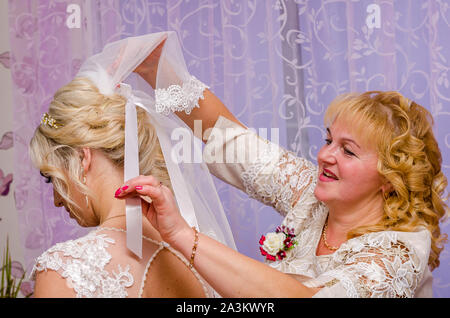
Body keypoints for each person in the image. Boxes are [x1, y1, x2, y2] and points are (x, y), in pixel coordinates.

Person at [116, 39, 449, 297]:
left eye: (347, 151)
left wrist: (182, 236)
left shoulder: (399, 251)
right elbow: (229, 137)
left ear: (390, 179)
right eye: (328, 139)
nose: (325, 155)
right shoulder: (312, 191)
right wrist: (157, 70)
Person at [28, 32, 236, 298]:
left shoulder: (65, 270)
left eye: (51, 179)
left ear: (83, 158)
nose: (57, 200)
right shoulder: (206, 255)